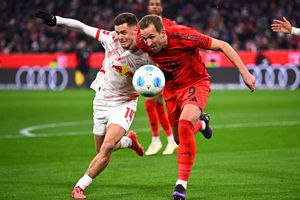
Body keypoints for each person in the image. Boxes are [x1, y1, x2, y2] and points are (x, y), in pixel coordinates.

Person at [137, 15, 256, 200]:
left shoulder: (185, 36)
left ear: (162, 33)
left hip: (195, 83)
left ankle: (180, 185)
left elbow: (223, 45)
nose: (148, 42)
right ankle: (201, 124)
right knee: (178, 139)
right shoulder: (142, 41)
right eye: (145, 38)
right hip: (171, 89)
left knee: (185, 125)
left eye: (152, 37)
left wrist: (245, 73)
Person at [35, 11, 151, 199]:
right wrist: (58, 20)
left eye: (123, 32)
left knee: (106, 148)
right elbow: (82, 27)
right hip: (101, 101)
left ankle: (80, 186)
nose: (119, 36)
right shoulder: (110, 39)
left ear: (135, 30)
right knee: (101, 149)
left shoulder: (148, 52)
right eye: (117, 32)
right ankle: (129, 141)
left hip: (125, 103)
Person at [143, 0, 178, 156]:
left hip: (166, 69)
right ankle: (169, 139)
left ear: (161, 7)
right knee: (156, 103)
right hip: (152, 69)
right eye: (152, 4)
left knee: (150, 102)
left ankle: (157, 139)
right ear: (148, 7)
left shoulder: (169, 24)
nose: (155, 6)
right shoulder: (143, 26)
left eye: (157, 4)